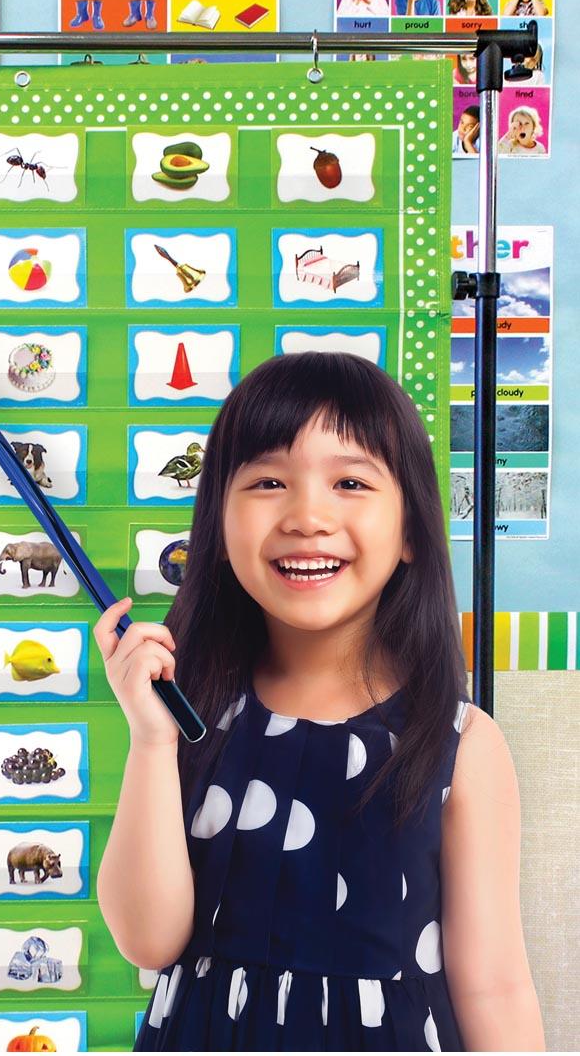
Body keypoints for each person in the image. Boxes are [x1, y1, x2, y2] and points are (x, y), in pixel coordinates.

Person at [94, 352, 545, 1050]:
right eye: (269, 481)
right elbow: (149, 943)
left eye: (350, 482)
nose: (308, 516)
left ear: (411, 535)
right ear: (216, 526)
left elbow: (494, 984)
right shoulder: (189, 717)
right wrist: (150, 742)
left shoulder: (460, 742)